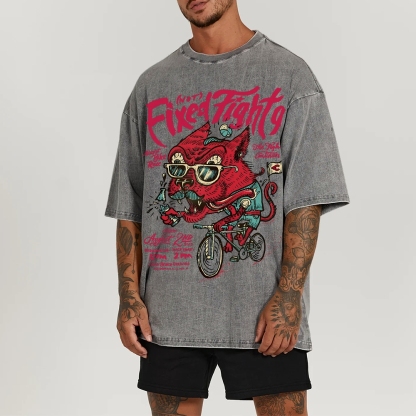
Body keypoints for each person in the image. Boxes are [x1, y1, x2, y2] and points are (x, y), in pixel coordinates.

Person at [104, 1, 350, 414]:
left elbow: (305, 201)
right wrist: (129, 296)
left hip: (263, 312)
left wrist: (288, 296)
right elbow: (130, 203)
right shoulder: (152, 85)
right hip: (168, 317)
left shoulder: (290, 76)